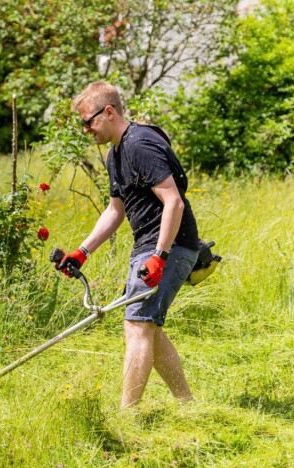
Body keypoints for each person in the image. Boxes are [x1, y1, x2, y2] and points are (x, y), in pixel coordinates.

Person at [59, 82, 199, 407]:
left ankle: (127, 420)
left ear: (109, 112)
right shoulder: (115, 154)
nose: (85, 129)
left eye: (88, 121)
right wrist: (82, 252)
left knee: (137, 326)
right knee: (149, 328)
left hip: (170, 245)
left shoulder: (140, 144)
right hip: (149, 249)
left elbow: (174, 203)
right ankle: (188, 405)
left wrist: (160, 257)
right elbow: (115, 211)